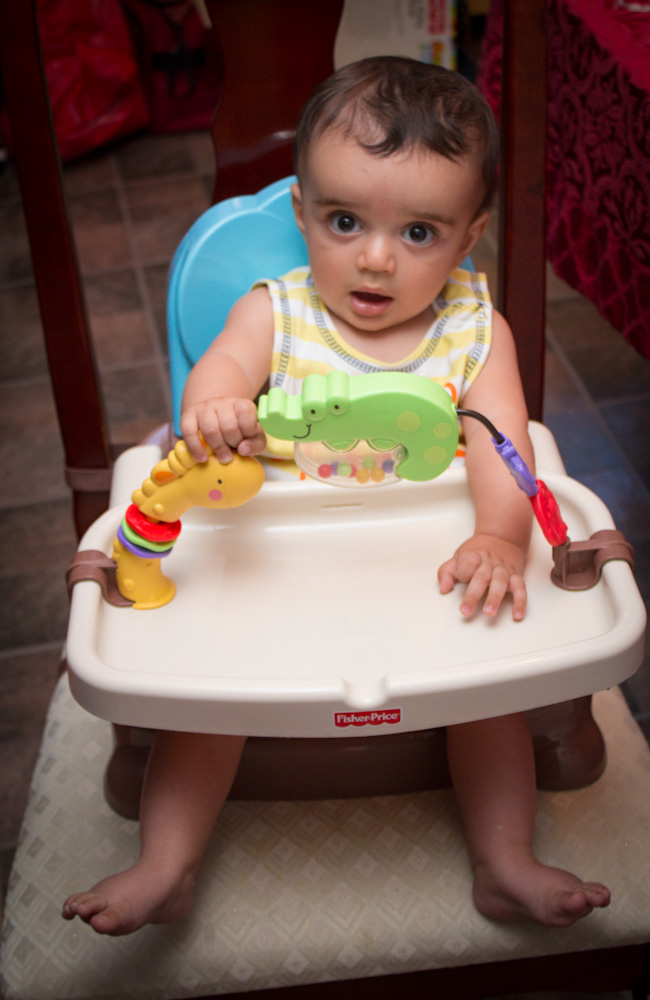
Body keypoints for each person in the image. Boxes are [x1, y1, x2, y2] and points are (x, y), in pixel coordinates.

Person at [62, 56, 610, 936]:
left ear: (468, 237)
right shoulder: (275, 313)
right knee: (208, 695)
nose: (376, 258)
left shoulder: (474, 332)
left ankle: (504, 864)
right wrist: (217, 410)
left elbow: (502, 448)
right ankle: (165, 867)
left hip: (417, 565)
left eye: (419, 232)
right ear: (301, 212)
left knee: (488, 696)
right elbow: (217, 379)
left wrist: (500, 539)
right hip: (271, 559)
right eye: (345, 220)